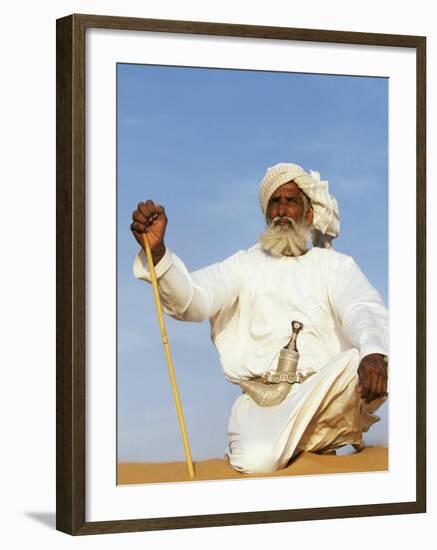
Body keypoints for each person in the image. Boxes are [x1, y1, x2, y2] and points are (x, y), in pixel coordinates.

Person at [130, 162, 388, 474]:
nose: (282, 210)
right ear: (266, 214)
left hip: (324, 392)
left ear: (307, 214)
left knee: (387, 353)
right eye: (274, 202)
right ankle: (297, 445)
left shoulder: (335, 266)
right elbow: (194, 300)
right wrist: (158, 254)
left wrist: (374, 351)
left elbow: (362, 307)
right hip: (266, 403)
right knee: (257, 461)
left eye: (291, 201)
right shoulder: (243, 265)